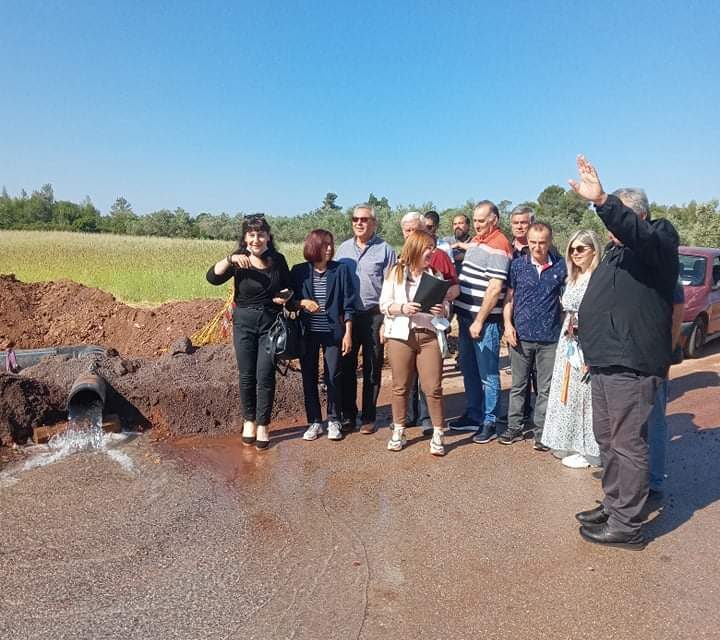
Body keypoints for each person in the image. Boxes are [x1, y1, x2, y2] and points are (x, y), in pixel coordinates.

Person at [571, 155, 679, 550]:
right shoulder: (618, 253)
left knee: (627, 441)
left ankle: (627, 525)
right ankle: (615, 504)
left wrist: (602, 200)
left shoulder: (659, 240)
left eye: (618, 220)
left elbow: (638, 234)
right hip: (606, 360)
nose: (611, 229)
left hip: (632, 363)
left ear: (640, 216)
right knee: (607, 438)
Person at [206, 214, 294, 450]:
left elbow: (290, 288)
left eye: (261, 234)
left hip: (270, 324)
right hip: (243, 322)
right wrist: (230, 259)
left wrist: (285, 297)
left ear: (268, 237)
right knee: (246, 375)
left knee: (265, 374)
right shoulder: (238, 261)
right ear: (245, 238)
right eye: (252, 235)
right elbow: (212, 278)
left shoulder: (277, 260)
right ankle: (249, 421)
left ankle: (264, 425)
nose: (257, 239)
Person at [379, 230, 452, 456]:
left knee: (433, 388)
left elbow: (446, 310)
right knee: (400, 386)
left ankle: (438, 432)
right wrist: (403, 308)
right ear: (415, 248)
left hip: (428, 335)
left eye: (433, 247)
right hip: (401, 336)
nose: (432, 252)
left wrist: (442, 310)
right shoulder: (396, 273)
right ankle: (399, 430)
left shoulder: (436, 275)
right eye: (427, 247)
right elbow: (384, 305)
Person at [500, 222, 566, 448]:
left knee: (545, 388)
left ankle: (542, 433)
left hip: (550, 338)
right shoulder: (517, 266)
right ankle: (514, 428)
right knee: (518, 385)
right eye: (533, 243)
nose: (538, 247)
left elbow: (566, 302)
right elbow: (509, 299)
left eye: (542, 242)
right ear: (527, 242)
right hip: (520, 336)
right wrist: (507, 325)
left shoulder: (560, 267)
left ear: (550, 242)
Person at [540, 229, 603, 468]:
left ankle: (588, 448)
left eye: (580, 249)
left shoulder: (596, 279)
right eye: (572, 249)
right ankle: (571, 441)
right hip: (568, 340)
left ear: (594, 250)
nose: (575, 254)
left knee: (584, 396)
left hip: (585, 340)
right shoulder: (573, 277)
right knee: (567, 393)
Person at [450, 201, 512, 435]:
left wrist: (479, 320)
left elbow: (495, 288)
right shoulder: (477, 241)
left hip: (483, 322)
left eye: (482, 220)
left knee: (487, 373)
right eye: (475, 220)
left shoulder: (499, 245)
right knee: (470, 369)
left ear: (494, 220)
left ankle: (490, 420)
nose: (477, 225)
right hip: (466, 317)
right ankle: (474, 413)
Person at [290, 229, 358, 442]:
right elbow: (290, 301)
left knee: (333, 376)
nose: (329, 248)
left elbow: (348, 304)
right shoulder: (299, 271)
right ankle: (314, 422)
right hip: (307, 334)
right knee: (309, 377)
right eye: (325, 244)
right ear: (313, 246)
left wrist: (348, 333)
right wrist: (302, 303)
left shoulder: (341, 270)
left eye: (331, 244)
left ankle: (334, 419)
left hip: (333, 334)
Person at [336, 204, 397, 434]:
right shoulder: (342, 249)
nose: (359, 223)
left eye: (364, 219)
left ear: (374, 223)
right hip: (347, 318)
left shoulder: (385, 250)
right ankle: (348, 415)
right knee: (347, 367)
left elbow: (392, 286)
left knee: (372, 366)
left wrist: (386, 321)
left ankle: (369, 417)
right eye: (355, 219)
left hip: (374, 317)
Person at [646, 281, 685, 503]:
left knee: (655, 421)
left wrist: (663, 362)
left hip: (655, 362)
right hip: (634, 360)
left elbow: (675, 325)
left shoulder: (671, 283)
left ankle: (654, 480)